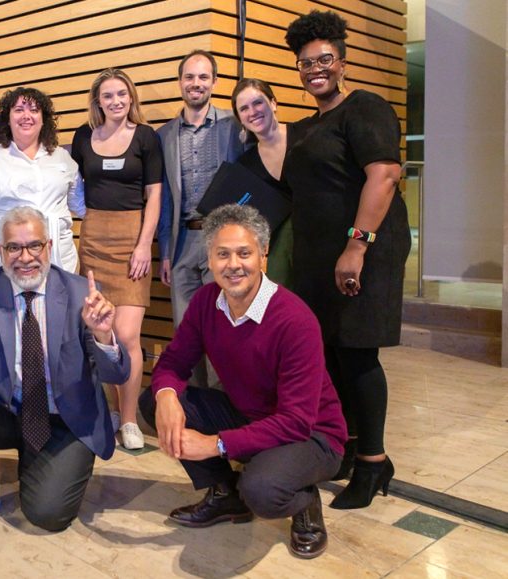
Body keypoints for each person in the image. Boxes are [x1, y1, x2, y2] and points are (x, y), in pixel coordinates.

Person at [138, 204, 347, 559]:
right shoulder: (206, 302)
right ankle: (225, 495)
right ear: (210, 258)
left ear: (263, 255)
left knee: (263, 491)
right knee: (154, 401)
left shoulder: (295, 320)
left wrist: (216, 444)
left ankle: (304, 501)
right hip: (250, 416)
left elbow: (297, 421)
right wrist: (168, 396)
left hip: (314, 435)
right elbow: (173, 362)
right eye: (222, 254)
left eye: (244, 253)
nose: (233, 264)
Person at [0, 206, 129, 536]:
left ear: (49, 247)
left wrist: (104, 335)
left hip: (64, 419)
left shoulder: (82, 293)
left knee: (47, 515)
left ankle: (45, 460)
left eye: (34, 245)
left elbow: (117, 375)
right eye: (14, 247)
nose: (25, 257)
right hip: (7, 412)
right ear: (0, 252)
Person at [284, 10, 410, 509]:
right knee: (333, 354)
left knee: (358, 354)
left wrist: (356, 245)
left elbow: (383, 175)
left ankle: (375, 463)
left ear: (342, 61)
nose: (315, 68)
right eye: (305, 62)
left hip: (363, 252)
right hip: (319, 258)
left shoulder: (366, 107)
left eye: (324, 59)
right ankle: (349, 447)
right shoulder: (309, 125)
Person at [71, 68, 164, 450]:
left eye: (122, 94)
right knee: (101, 333)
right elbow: (70, 184)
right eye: (108, 96)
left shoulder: (145, 137)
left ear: (131, 97)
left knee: (126, 336)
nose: (116, 102)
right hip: (93, 238)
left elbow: (155, 197)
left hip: (132, 241)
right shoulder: (81, 136)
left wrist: (144, 245)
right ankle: (109, 411)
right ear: (98, 101)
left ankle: (129, 421)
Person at [156, 51, 244, 387]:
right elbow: (164, 200)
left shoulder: (234, 127)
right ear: (180, 82)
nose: (196, 84)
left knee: (226, 328)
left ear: (214, 82)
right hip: (182, 243)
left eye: (203, 77)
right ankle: (195, 407)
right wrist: (165, 252)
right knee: (186, 332)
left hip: (222, 240)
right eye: (190, 77)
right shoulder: (164, 136)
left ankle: (227, 407)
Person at [0, 87, 83, 281]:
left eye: (34, 110)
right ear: (7, 119)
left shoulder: (63, 158)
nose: (26, 116)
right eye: (18, 110)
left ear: (44, 119)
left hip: (59, 264)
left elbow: (81, 206)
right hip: (4, 266)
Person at [230, 78, 296, 287]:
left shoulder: (306, 135)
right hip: (282, 253)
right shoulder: (246, 164)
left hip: (321, 242)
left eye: (258, 102)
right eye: (244, 108)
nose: (253, 111)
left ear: (273, 103)